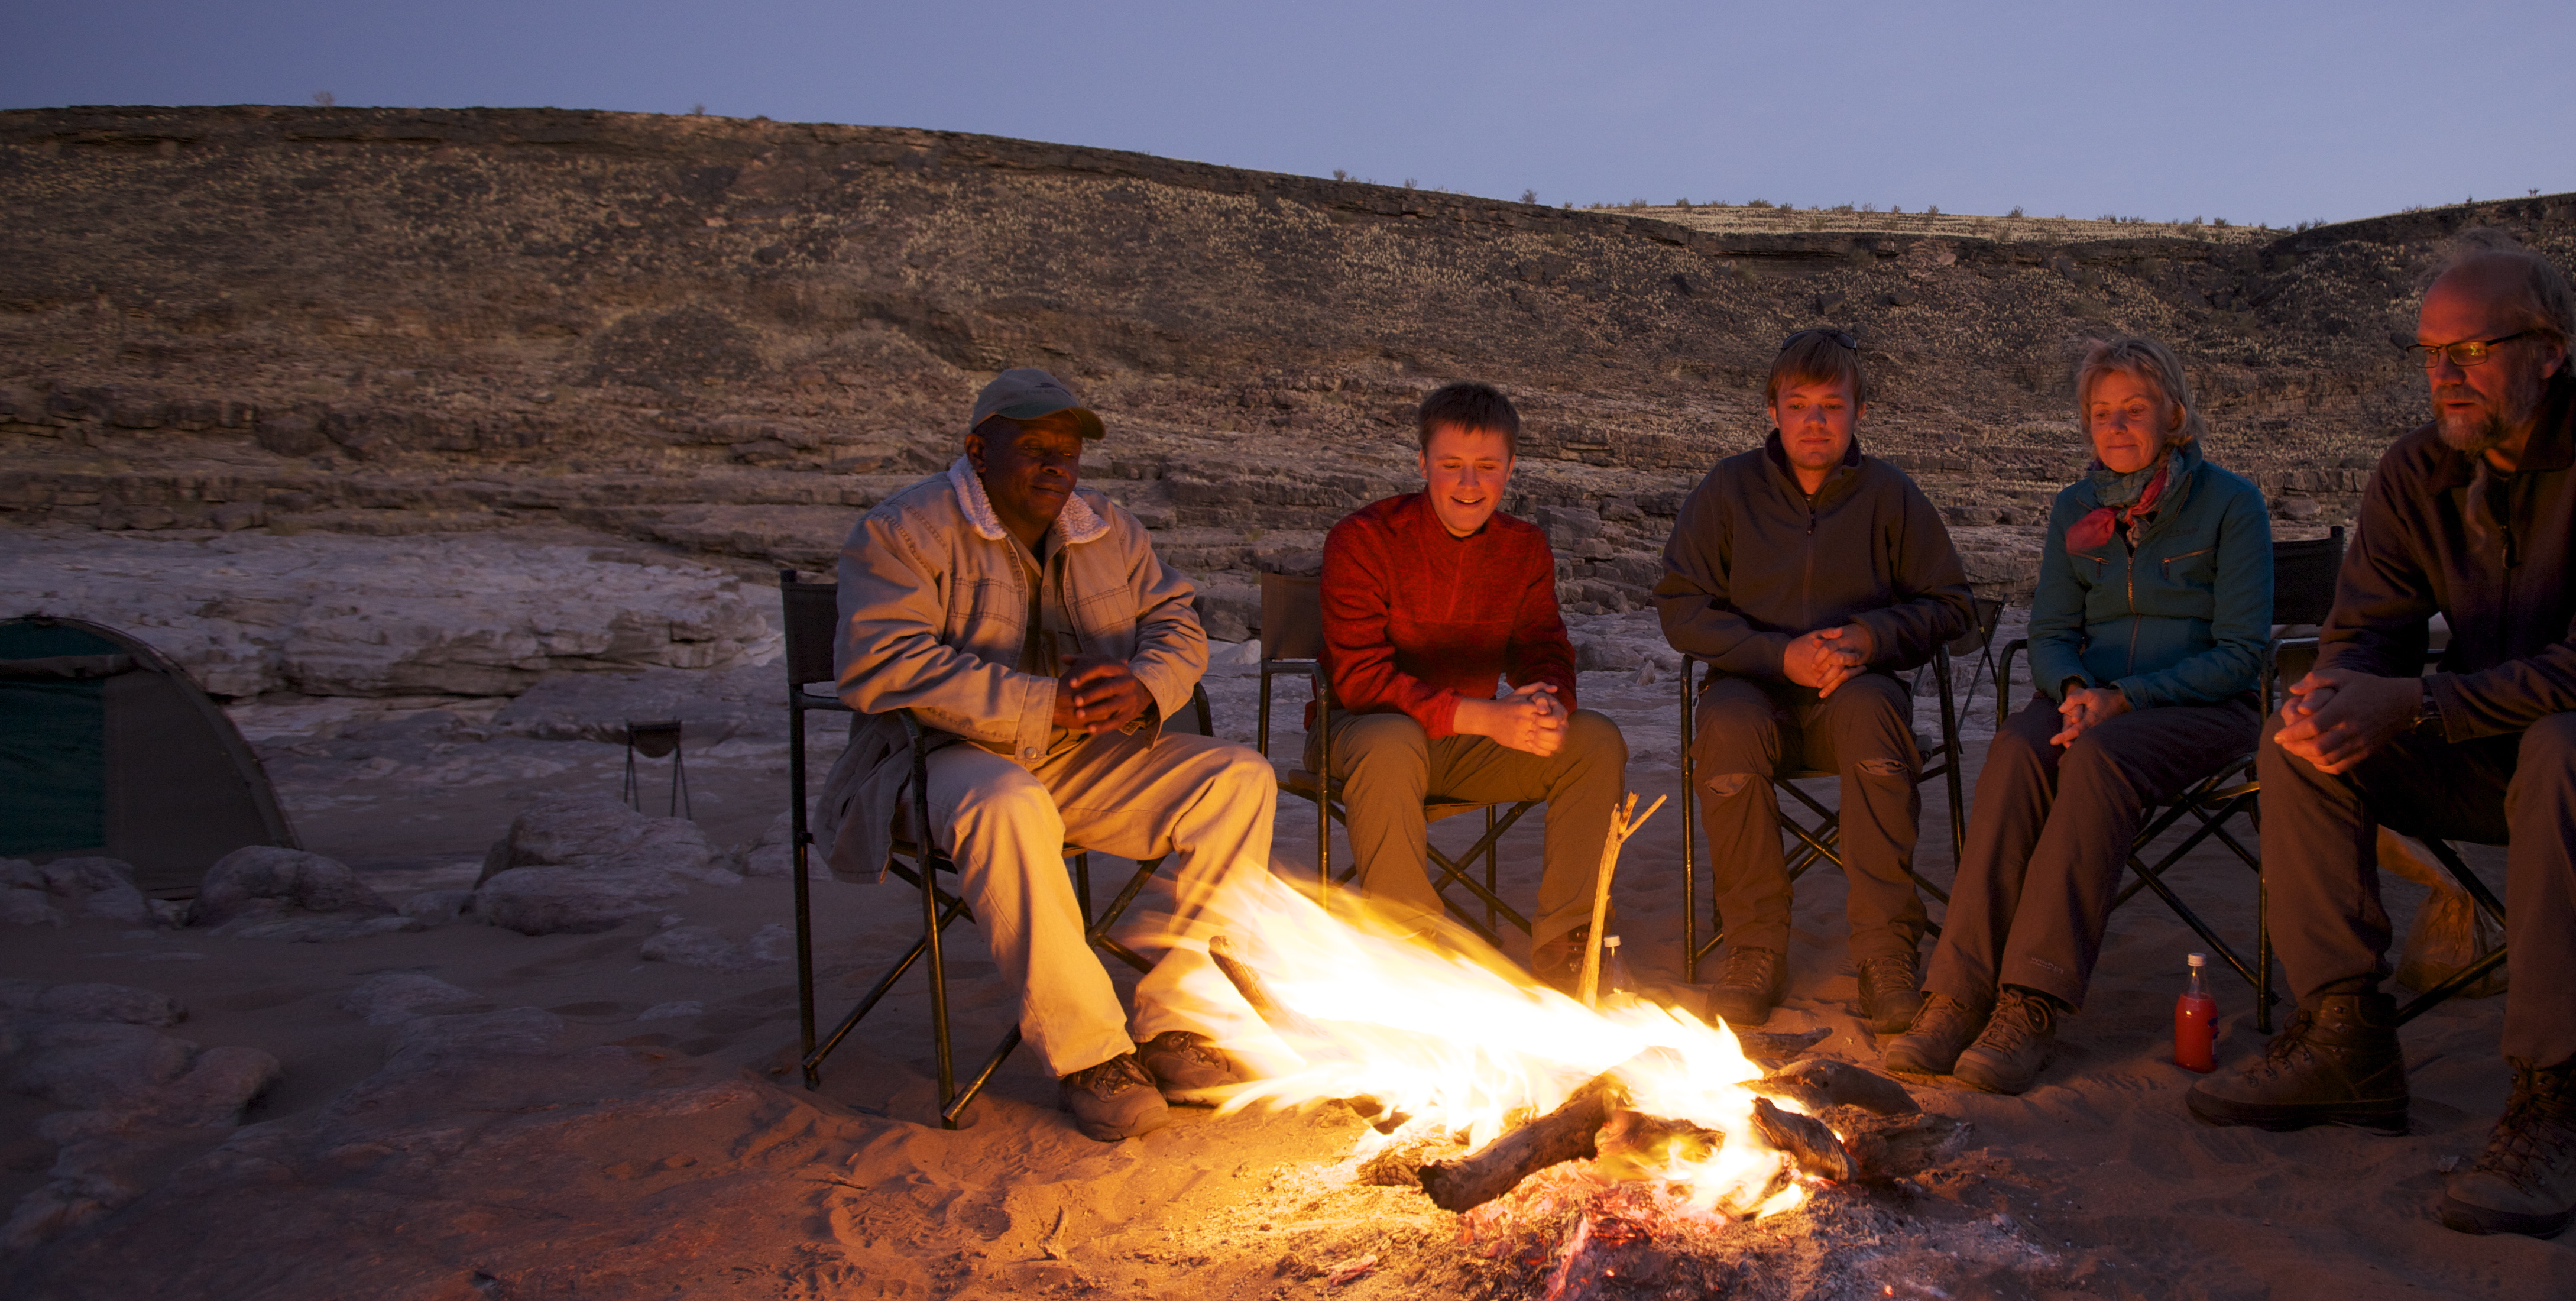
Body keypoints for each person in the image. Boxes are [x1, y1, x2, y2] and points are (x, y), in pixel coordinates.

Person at [2193, 231, 2576, 1239]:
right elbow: (2363, 639)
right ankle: (2346, 1035)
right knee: (2298, 742)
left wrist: (2419, 703)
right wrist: (2332, 695)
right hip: (2507, 750)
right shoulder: (2417, 472)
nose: (2444, 376)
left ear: (2549, 349)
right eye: (2430, 353)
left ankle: (2560, 1101)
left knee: (2570, 747)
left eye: (2472, 350)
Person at [818, 367, 1278, 1144]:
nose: (1055, 468)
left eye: (1066, 453)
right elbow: (880, 663)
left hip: (1070, 757)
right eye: (1033, 449)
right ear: (978, 449)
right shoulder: (904, 530)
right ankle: (1091, 1056)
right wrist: (1038, 701)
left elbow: (1180, 625)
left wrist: (1142, 685)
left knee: (1238, 780)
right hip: (933, 761)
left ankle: (1179, 1025)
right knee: (1007, 802)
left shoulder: (1108, 529)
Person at [1886, 336, 2273, 1092]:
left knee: (2097, 760)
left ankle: (2030, 1002)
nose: (2118, 427)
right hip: (2087, 701)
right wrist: (2072, 692)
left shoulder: (2233, 505)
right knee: (2015, 751)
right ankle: (1957, 993)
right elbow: (2052, 634)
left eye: (2135, 410)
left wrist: (2126, 698)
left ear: (2175, 416)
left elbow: (2241, 655)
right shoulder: (2075, 508)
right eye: (2102, 414)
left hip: (2199, 709)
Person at [1656, 328, 1976, 1022]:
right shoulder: (1728, 489)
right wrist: (1777, 656)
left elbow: (1953, 606)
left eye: (1832, 405)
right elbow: (1681, 608)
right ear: (1771, 411)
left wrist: (1870, 637)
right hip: (1753, 689)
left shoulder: (1891, 495)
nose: (1815, 421)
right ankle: (1754, 947)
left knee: (1872, 712)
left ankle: (1887, 950)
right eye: (1798, 404)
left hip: (1852, 696)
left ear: (1860, 413)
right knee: (1728, 723)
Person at [1317, 381, 1629, 985]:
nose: (1468, 485)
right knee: (1390, 742)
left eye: (1486, 468)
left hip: (1465, 747)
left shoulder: (1522, 548)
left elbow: (1545, 646)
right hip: (1362, 736)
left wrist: (1546, 703)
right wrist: (1486, 717)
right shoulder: (1363, 539)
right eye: (1452, 466)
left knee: (1594, 741)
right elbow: (1361, 681)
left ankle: (1572, 953)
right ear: (1422, 463)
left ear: (1510, 468)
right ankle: (1411, 961)